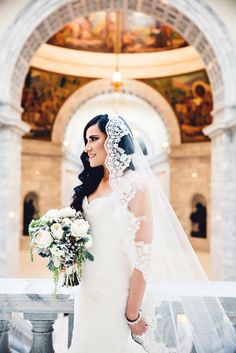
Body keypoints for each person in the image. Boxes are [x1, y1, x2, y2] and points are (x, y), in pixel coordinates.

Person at [68, 113, 236, 353]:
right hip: (87, 293)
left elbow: (144, 255)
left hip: (115, 298)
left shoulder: (135, 185)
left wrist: (132, 313)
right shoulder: (91, 185)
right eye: (86, 141)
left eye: (93, 139)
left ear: (112, 141)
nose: (87, 148)